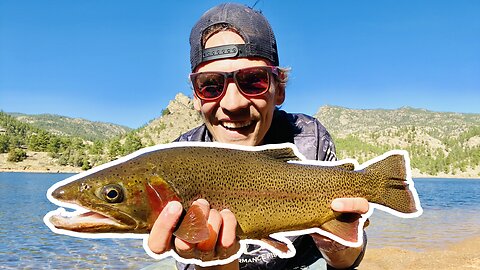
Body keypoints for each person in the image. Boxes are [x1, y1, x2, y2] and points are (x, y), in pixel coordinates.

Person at [147, 3, 369, 269]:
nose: (233, 103)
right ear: (196, 97)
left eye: (254, 81)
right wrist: (217, 262)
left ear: (280, 91)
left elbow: (344, 263)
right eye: (211, 85)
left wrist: (337, 240)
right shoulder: (180, 159)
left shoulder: (311, 140)